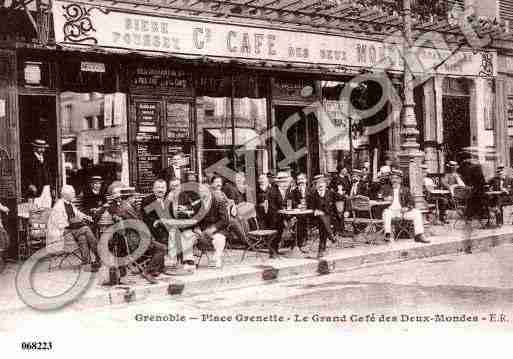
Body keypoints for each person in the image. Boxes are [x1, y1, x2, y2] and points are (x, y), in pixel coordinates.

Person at [108, 185, 167, 283]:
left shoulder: (122, 206)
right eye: (134, 197)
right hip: (135, 241)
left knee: (158, 243)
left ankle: (154, 269)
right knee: (162, 248)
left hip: (131, 238)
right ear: (129, 198)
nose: (135, 199)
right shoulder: (127, 209)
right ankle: (148, 272)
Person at [47, 185, 101, 271]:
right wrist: (74, 223)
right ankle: (100, 255)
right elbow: (60, 224)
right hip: (63, 233)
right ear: (66, 195)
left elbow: (78, 213)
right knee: (86, 229)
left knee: (82, 237)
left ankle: (86, 264)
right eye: (72, 193)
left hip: (71, 230)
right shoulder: (59, 206)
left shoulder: (69, 204)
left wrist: (86, 217)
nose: (74, 195)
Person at [181, 175, 228, 269]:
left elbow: (225, 220)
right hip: (200, 230)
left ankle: (216, 258)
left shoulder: (219, 201)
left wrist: (212, 229)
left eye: (205, 192)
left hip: (215, 230)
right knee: (185, 235)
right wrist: (196, 228)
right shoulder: (198, 203)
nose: (203, 195)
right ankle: (189, 260)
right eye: (201, 192)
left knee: (219, 239)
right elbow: (194, 217)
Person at [381, 169, 429, 244]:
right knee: (386, 213)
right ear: (390, 179)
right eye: (392, 178)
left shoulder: (405, 190)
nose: (394, 180)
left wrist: (407, 208)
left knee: (417, 212)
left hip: (402, 212)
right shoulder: (386, 189)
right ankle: (388, 234)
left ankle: (419, 235)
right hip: (390, 212)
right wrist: (384, 199)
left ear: (400, 180)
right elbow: (379, 199)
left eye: (396, 178)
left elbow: (411, 203)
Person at [308, 174, 338, 258]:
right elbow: (310, 207)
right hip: (316, 218)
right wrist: (315, 211)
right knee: (322, 219)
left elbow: (342, 199)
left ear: (325, 184)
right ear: (316, 185)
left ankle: (321, 250)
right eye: (318, 183)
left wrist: (346, 210)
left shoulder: (330, 193)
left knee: (323, 226)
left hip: (330, 217)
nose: (320, 185)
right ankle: (330, 235)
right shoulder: (312, 194)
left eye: (322, 183)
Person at [267, 171, 292, 258]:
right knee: (275, 231)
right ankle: (272, 251)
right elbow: (272, 206)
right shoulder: (272, 191)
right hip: (274, 216)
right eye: (282, 182)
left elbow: (290, 201)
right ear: (278, 183)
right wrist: (281, 211)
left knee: (282, 230)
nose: (284, 184)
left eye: (286, 182)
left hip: (284, 214)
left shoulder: (288, 191)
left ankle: (277, 249)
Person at [25, 139, 52, 208]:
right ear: (35, 148)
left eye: (44, 148)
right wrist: (30, 185)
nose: (43, 150)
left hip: (47, 188)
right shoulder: (29, 159)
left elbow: (49, 173)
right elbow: (25, 175)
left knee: (47, 207)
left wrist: (52, 187)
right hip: (36, 189)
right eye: (40, 148)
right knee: (36, 208)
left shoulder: (45, 158)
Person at [288, 173, 309, 254]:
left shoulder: (311, 190)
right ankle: (299, 242)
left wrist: (308, 205)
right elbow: (291, 201)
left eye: (302, 179)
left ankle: (300, 242)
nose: (301, 181)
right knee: (298, 220)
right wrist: (297, 205)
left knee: (301, 220)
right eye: (299, 179)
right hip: (298, 213)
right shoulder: (294, 191)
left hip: (309, 213)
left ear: (306, 180)